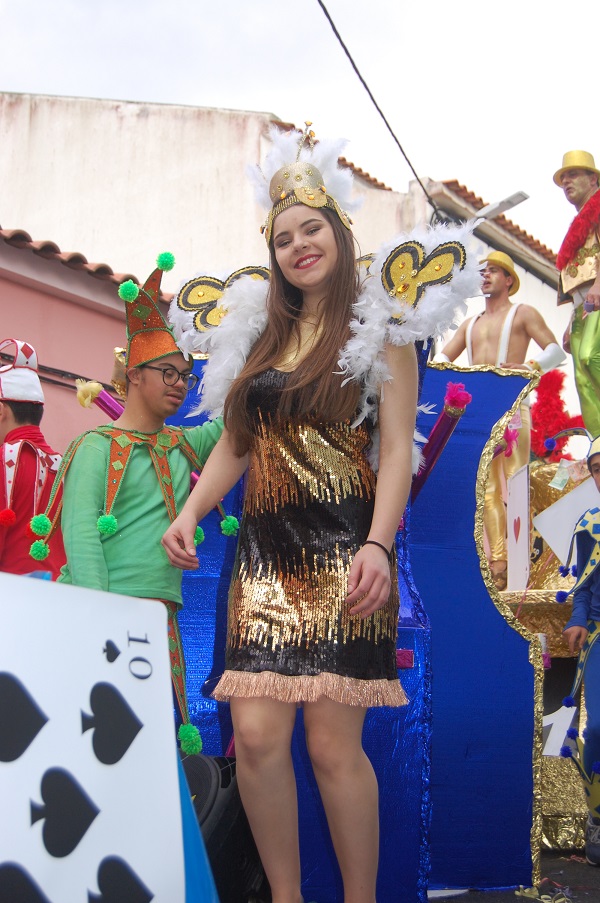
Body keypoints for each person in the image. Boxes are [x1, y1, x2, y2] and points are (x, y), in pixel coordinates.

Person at [161, 124, 479, 903]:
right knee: (257, 738)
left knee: (334, 748)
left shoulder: (382, 329)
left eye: (311, 229)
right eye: (283, 238)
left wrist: (378, 544)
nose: (298, 245)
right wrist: (192, 509)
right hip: (263, 563)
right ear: (271, 255)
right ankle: (286, 895)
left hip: (345, 556)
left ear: (337, 231)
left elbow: (397, 451)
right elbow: (237, 442)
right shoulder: (262, 338)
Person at [30, 254, 223, 748]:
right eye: (168, 373)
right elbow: (80, 533)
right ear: (134, 374)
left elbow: (235, 426)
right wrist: (101, 619)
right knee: (92, 745)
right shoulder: (95, 446)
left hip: (156, 619)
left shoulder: (182, 445)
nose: (179, 385)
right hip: (104, 615)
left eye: (185, 376)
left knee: (145, 745)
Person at [435, 250, 565, 588]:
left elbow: (555, 351)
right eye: (482, 271)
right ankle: (499, 562)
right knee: (487, 487)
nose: (485, 276)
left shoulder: (523, 313)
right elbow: (441, 361)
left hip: (513, 406)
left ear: (509, 279)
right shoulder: (470, 324)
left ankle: (523, 560)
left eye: (493, 270)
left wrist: (529, 367)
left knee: (517, 482)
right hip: (480, 414)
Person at [561, 436, 600, 866]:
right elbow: (584, 585)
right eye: (597, 468)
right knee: (599, 726)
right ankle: (598, 815)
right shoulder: (590, 524)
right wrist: (577, 619)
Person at [0, 338, 65, 579]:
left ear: (1, 410)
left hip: (10, 594)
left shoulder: (3, 459)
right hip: (61, 593)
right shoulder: (65, 467)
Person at [555, 150, 600, 436]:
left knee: (590, 357)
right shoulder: (579, 223)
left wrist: (599, 285)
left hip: (597, 298)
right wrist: (572, 320)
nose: (566, 182)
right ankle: (598, 444)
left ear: (593, 179)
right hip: (582, 306)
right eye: (563, 178)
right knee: (582, 381)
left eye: (573, 175)